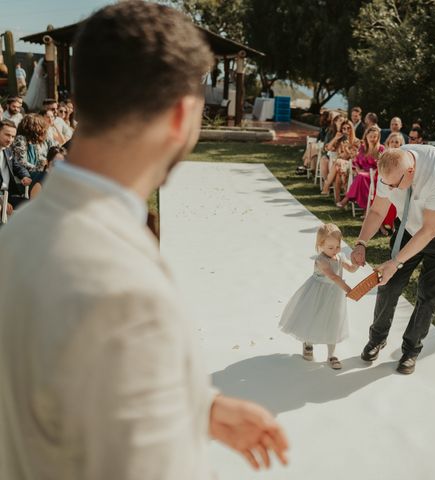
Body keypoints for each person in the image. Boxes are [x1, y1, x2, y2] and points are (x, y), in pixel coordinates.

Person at [0, 3, 288, 479]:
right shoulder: (126, 289)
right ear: (182, 115)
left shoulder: (18, 236)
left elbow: (63, 386)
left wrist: (199, 407)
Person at [351, 145, 435, 374]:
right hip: (409, 228)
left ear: (411, 172)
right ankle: (377, 339)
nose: (391, 188)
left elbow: (429, 230)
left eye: (394, 185)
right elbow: (377, 211)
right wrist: (361, 242)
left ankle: (411, 349)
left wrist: (395, 263)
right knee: (389, 283)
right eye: (388, 184)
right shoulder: (391, 168)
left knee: (427, 296)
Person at [279, 223, 359, 370]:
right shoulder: (321, 260)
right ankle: (308, 343)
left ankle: (331, 355)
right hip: (318, 292)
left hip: (335, 295)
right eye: (330, 247)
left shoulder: (339, 256)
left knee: (334, 320)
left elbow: (350, 269)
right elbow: (333, 277)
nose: (335, 250)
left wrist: (356, 264)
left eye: (338, 246)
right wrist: (348, 290)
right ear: (320, 245)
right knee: (313, 317)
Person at [336, 125, 383, 209]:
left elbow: (382, 166)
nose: (372, 139)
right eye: (370, 136)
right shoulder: (363, 148)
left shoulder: (381, 149)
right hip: (362, 173)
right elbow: (356, 161)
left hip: (376, 174)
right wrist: (358, 169)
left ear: (378, 137)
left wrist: (372, 172)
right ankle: (366, 208)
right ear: (366, 137)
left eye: (375, 137)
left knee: (361, 176)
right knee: (361, 176)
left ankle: (346, 199)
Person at [321, 118, 360, 202]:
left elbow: (354, 157)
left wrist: (347, 150)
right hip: (340, 167)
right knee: (338, 173)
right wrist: (335, 138)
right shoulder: (339, 141)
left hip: (351, 166)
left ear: (352, 128)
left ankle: (326, 184)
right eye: (344, 128)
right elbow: (327, 148)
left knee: (338, 162)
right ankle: (338, 201)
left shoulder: (356, 141)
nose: (346, 130)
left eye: (348, 128)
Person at [0, 120, 32, 216]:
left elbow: (17, 166)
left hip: (8, 195)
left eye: (13, 136)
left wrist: (25, 176)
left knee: (31, 206)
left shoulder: (8, 150)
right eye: (7, 135)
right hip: (1, 198)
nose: (10, 139)